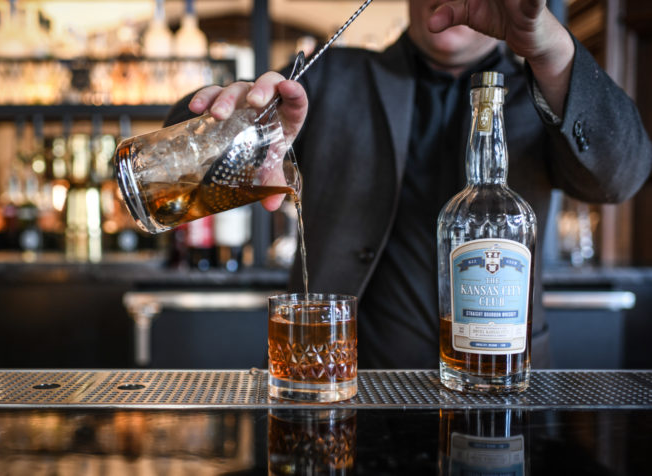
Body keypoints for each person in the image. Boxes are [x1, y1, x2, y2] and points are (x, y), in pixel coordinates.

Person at [166, 0, 652, 369]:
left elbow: (622, 176)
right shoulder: (331, 76)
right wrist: (230, 120)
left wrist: (551, 48)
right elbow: (181, 162)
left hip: (498, 380)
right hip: (341, 381)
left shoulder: (544, 85)